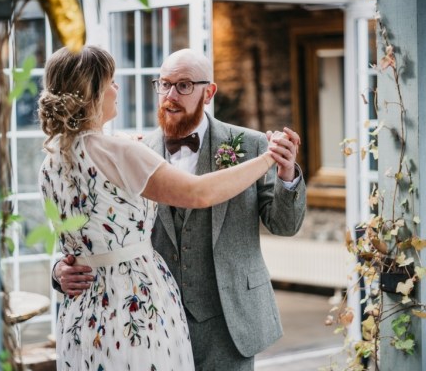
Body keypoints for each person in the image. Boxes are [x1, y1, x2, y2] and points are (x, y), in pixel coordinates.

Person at [38, 45, 294, 371]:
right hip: (137, 313)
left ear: (208, 92)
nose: (118, 88)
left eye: (183, 84)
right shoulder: (124, 151)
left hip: (84, 319)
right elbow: (199, 193)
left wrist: (64, 268)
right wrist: (269, 159)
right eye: (111, 81)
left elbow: (83, 233)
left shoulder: (51, 160)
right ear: (92, 91)